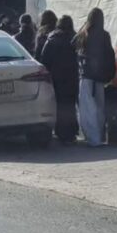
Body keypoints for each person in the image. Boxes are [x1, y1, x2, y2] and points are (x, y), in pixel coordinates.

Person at [73, 8, 115, 147]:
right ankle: (99, 136)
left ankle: (92, 138)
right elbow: (109, 55)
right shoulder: (104, 35)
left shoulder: (83, 34)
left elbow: (73, 46)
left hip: (86, 76)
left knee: (87, 109)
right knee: (99, 107)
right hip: (99, 77)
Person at [41, 15, 79, 145]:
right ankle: (71, 132)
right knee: (70, 105)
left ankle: (61, 132)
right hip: (72, 77)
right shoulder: (75, 38)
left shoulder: (52, 39)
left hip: (56, 77)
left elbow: (44, 59)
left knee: (59, 105)